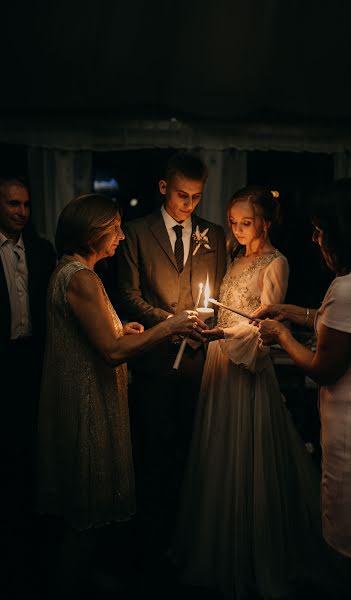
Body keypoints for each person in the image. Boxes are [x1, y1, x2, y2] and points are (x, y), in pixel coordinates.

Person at [35, 193, 208, 592]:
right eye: (114, 228)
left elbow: (100, 336)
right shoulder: (80, 277)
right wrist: (171, 325)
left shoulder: (74, 271)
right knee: (86, 509)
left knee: (85, 510)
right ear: (92, 232)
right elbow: (112, 352)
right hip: (86, 400)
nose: (120, 236)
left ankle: (81, 576)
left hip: (85, 391)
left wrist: (126, 329)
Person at [170, 186, 328, 600]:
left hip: (246, 365)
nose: (238, 230)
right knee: (216, 451)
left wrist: (223, 333)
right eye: (234, 222)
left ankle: (254, 552)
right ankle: (214, 544)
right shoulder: (234, 256)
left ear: (266, 222)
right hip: (218, 364)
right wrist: (209, 327)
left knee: (247, 454)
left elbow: (266, 327)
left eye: (247, 222)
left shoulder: (276, 263)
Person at [256, 178, 351, 599]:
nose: (315, 238)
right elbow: (346, 323)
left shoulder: (350, 287)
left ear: (344, 230)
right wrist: (293, 311)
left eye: (321, 229)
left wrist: (280, 333)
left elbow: (324, 367)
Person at [117, 151, 226, 550]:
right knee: (150, 453)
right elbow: (127, 294)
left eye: (197, 197)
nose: (189, 205)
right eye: (182, 195)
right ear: (164, 187)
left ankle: (189, 537)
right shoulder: (135, 232)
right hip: (153, 363)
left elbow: (219, 294)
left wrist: (205, 326)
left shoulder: (213, 236)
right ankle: (148, 541)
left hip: (200, 363)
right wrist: (169, 323)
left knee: (192, 452)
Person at [0, 176, 56, 516]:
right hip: (2, 357)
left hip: (33, 357)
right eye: (13, 203)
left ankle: (29, 509)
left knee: (32, 438)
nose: (22, 211)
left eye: (26, 204)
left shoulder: (41, 250)